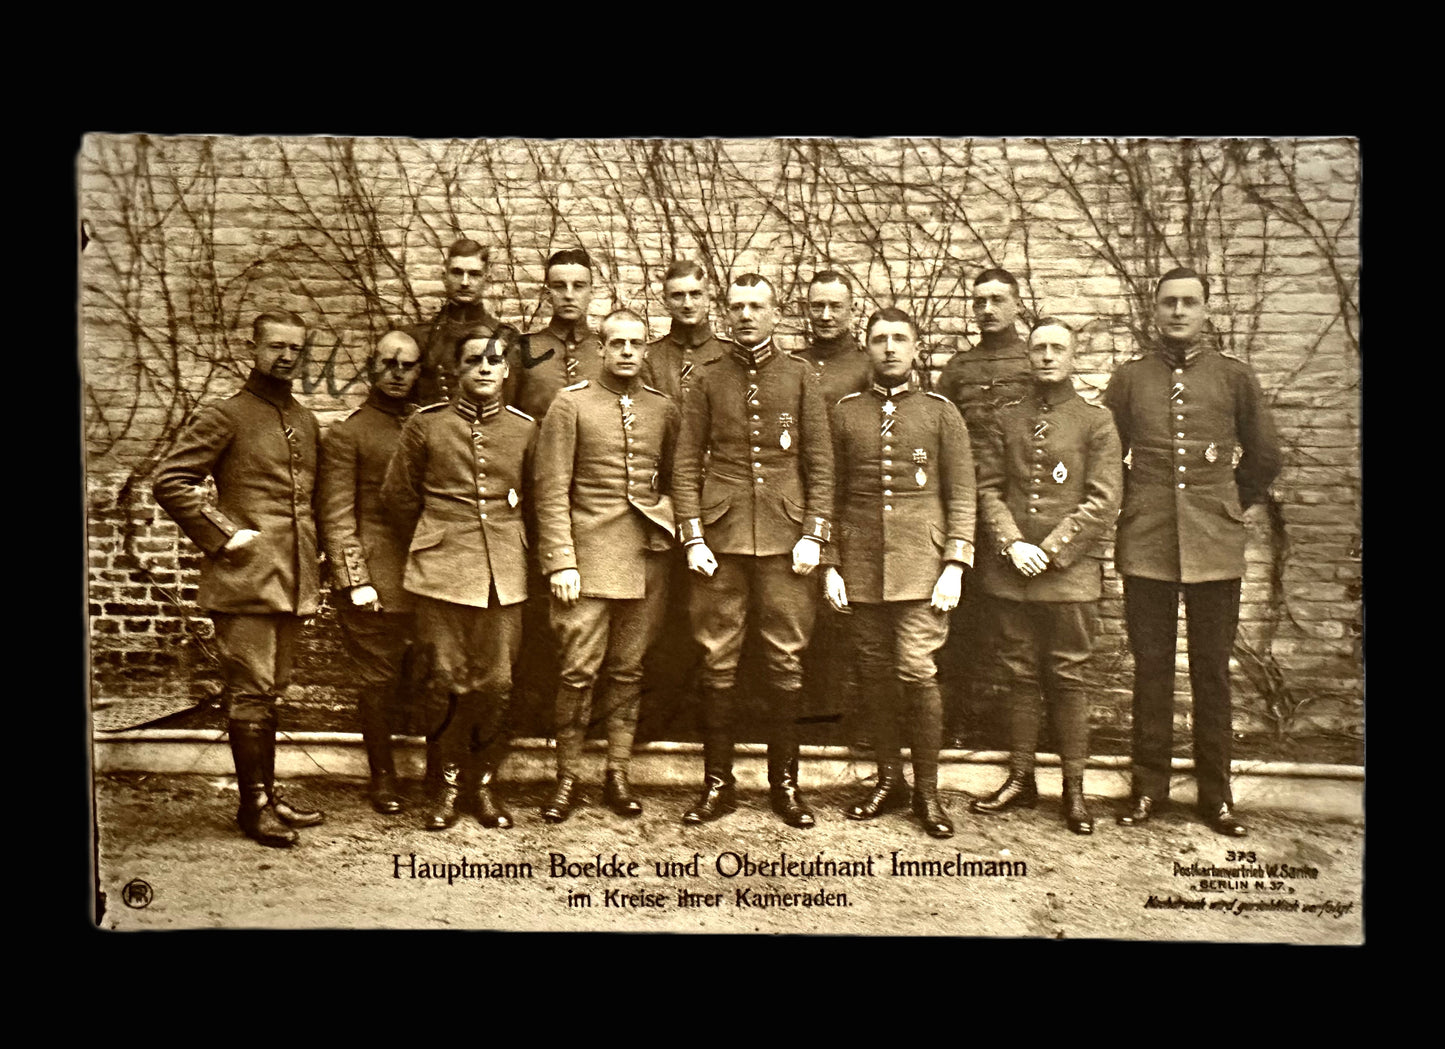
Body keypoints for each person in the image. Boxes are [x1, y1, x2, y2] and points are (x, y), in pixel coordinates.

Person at [1104, 267, 1282, 837]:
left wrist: (1229, 504)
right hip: (1147, 540)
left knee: (1212, 672)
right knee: (1151, 669)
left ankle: (1217, 797)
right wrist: (1133, 506)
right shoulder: (1129, 379)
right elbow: (1108, 455)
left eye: (1190, 302)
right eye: (1169, 303)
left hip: (1215, 541)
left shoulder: (1234, 378)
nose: (1179, 312)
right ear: (1154, 310)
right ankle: (1147, 789)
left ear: (1207, 310)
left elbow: (1265, 455)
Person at [152, 311, 325, 848]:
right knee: (249, 694)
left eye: (296, 348)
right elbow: (171, 480)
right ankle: (251, 808)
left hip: (292, 581)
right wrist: (223, 534)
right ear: (252, 347)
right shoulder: (226, 415)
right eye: (275, 346)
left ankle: (268, 794)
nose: (286, 356)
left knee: (270, 692)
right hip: (246, 580)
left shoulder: (305, 419)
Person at [672, 273, 834, 828]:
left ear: (774, 312)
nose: (745, 315)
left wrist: (814, 532)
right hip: (719, 539)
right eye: (737, 306)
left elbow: (820, 463)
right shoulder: (707, 378)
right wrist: (692, 535)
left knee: (785, 656)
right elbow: (686, 462)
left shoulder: (800, 376)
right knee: (716, 655)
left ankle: (784, 787)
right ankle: (718, 785)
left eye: (756, 306)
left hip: (789, 541)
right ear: (727, 311)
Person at [825, 308, 974, 839]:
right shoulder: (844, 413)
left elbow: (962, 494)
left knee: (916, 670)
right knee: (874, 674)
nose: (889, 348)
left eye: (899, 339)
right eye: (879, 339)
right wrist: (831, 564)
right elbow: (833, 493)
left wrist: (955, 563)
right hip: (862, 566)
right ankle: (889, 781)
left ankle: (927, 795)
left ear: (916, 348)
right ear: (866, 347)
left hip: (922, 566)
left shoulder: (940, 413)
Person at [381, 324, 536, 832]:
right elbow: (399, 498)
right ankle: (446, 786)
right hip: (441, 571)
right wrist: (437, 539)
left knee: (498, 682)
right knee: (444, 681)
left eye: (494, 361)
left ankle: (482, 786)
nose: (485, 368)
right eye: (474, 361)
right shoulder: (426, 425)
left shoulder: (524, 429)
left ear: (508, 371)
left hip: (504, 572)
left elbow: (538, 500)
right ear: (456, 370)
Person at [970, 317, 1122, 834]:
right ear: (1028, 356)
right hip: (1012, 573)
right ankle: (1020, 779)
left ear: (1073, 357)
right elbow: (987, 488)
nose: (1047, 356)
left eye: (1058, 348)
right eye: (1039, 348)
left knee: (1068, 676)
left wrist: (1052, 550)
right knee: (1018, 674)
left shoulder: (1096, 421)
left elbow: (1103, 500)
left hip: (1069, 576)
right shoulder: (1005, 418)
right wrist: (1012, 543)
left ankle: (1074, 791)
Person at [534, 309, 681, 821]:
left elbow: (674, 479)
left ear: (646, 350)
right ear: (600, 347)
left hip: (646, 560)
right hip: (586, 560)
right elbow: (550, 490)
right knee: (578, 672)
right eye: (616, 342)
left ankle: (617, 772)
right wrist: (560, 562)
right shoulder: (570, 405)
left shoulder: (663, 408)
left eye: (635, 343)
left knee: (628, 670)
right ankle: (567, 778)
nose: (625, 351)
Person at [317, 330, 423, 814]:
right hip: (376, 582)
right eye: (388, 363)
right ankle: (383, 778)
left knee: (437, 678)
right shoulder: (349, 432)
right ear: (371, 366)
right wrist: (355, 579)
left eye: (408, 365)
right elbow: (337, 514)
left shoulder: (429, 424)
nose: (398, 373)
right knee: (377, 682)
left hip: (432, 576)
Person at [794, 271, 873, 730]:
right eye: (816, 306)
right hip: (794, 502)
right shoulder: (793, 363)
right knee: (796, 617)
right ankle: (801, 725)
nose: (825, 316)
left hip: (850, 504)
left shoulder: (866, 367)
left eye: (835, 307)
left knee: (847, 616)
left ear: (852, 310)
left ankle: (843, 726)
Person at [509, 247, 603, 419]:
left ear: (591, 292)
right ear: (547, 294)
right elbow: (507, 417)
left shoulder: (606, 348)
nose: (569, 295)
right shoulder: (523, 348)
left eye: (578, 286)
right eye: (559, 286)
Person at [407, 238, 502, 406]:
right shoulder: (421, 338)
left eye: (474, 274)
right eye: (457, 273)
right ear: (445, 277)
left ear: (486, 281)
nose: (465, 282)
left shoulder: (505, 336)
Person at [643, 259, 729, 401]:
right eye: (678, 296)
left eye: (695, 294)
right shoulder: (649, 357)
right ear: (665, 301)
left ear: (708, 298)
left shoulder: (729, 352)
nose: (687, 304)